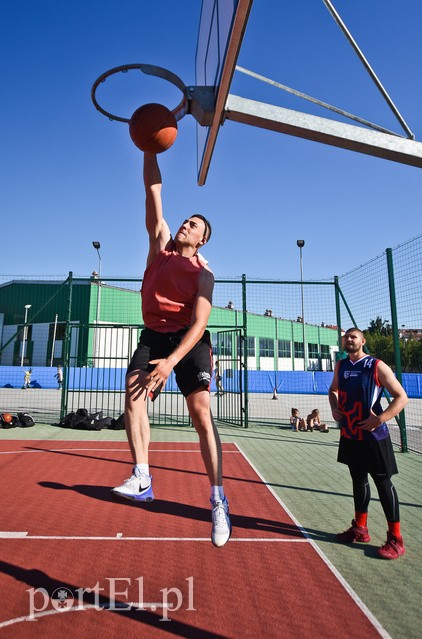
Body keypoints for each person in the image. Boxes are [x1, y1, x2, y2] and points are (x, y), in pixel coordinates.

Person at [112, 153, 231, 548]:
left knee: (200, 411)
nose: (185, 224)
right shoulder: (159, 246)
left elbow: (199, 324)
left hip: (188, 340)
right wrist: (148, 147)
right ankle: (143, 475)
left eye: (193, 225)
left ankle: (217, 500)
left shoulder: (204, 274)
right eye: (185, 220)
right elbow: (153, 190)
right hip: (154, 335)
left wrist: (171, 364)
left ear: (203, 239)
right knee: (133, 393)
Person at [328, 327, 408, 560]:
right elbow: (332, 390)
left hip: (374, 437)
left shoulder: (376, 365)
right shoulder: (341, 366)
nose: (348, 339)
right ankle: (360, 529)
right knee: (358, 480)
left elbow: (401, 397)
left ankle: (396, 538)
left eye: (353, 337)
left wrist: (379, 419)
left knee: (383, 484)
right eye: (346, 337)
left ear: (362, 341)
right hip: (351, 435)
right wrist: (334, 407)